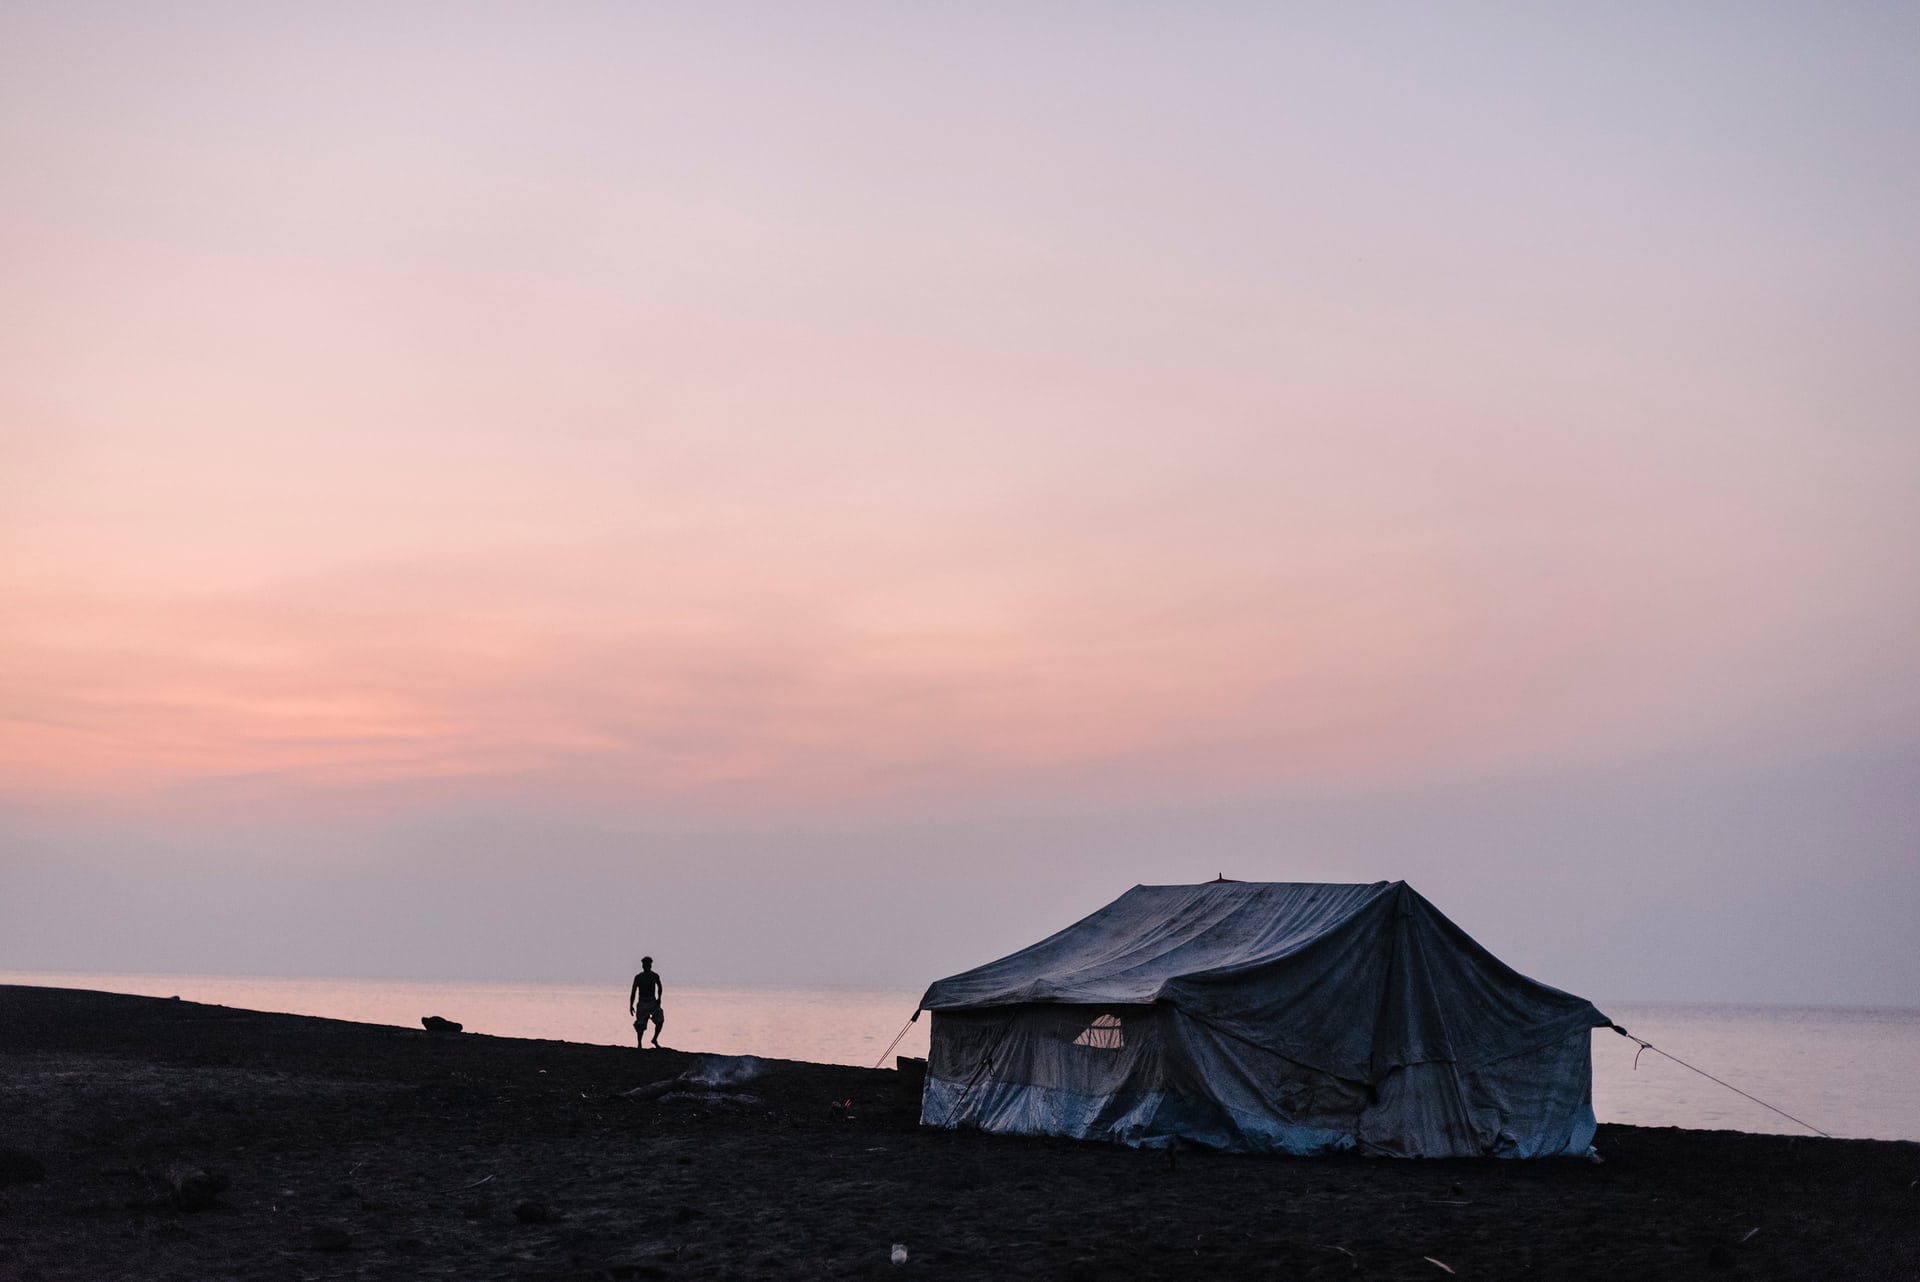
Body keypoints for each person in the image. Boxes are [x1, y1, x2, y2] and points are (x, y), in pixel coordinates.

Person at [628, 957, 664, 1049]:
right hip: (642, 1002)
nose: (647, 967)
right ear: (642, 966)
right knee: (640, 1024)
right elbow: (633, 992)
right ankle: (639, 1043)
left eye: (648, 965)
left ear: (651, 965)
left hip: (652, 1002)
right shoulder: (638, 977)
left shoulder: (655, 976)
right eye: (645, 965)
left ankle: (654, 1039)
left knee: (660, 1020)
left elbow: (660, 987)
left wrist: (659, 999)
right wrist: (631, 1005)